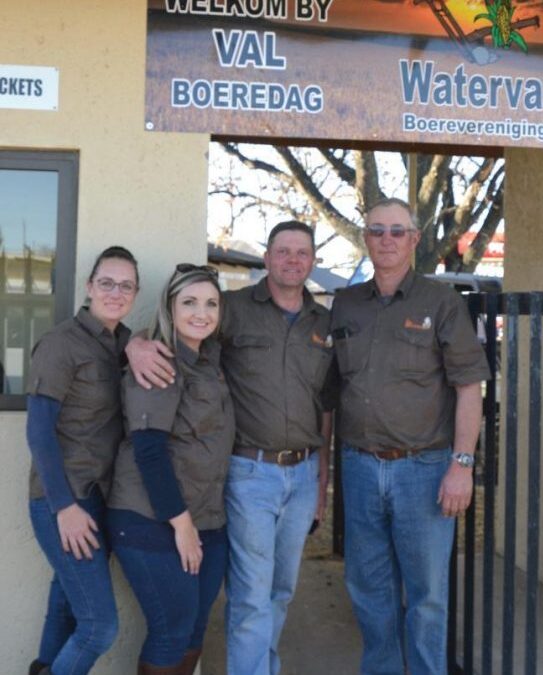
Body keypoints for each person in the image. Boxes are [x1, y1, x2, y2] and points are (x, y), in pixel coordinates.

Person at [126, 221, 335, 675]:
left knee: (281, 591)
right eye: (283, 251)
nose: (293, 260)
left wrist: (322, 482)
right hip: (250, 472)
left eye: (302, 253)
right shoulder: (233, 309)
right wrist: (134, 344)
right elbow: (179, 330)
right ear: (267, 258)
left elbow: (326, 406)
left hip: (302, 474)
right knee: (251, 595)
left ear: (314, 260)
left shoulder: (324, 322)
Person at [331, 198, 491, 675]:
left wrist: (461, 467)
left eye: (397, 231)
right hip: (359, 468)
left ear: (415, 239)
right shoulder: (345, 304)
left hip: (423, 471)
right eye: (377, 230)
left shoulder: (440, 303)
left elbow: (469, 386)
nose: (386, 240)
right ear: (365, 238)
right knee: (369, 589)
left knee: (427, 597)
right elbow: (327, 384)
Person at [107, 264, 234, 675]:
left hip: (207, 518)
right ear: (170, 307)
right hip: (153, 519)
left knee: (194, 631)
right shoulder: (158, 360)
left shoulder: (209, 360)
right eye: (190, 302)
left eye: (211, 303)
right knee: (172, 630)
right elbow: (149, 451)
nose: (202, 312)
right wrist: (182, 526)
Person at [26, 246, 140, 675]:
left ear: (135, 292)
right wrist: (64, 508)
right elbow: (38, 431)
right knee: (99, 626)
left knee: (66, 607)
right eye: (107, 282)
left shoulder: (125, 344)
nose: (116, 292)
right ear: (90, 286)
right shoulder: (61, 344)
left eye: (126, 285)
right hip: (63, 501)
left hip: (99, 499)